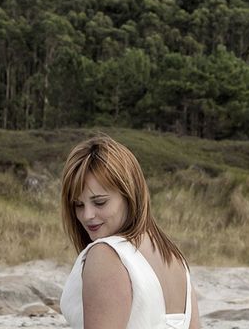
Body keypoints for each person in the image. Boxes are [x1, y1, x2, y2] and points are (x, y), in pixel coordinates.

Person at [59, 134, 200, 329]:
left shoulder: (106, 255)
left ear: (130, 195)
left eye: (100, 202)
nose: (87, 215)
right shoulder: (174, 258)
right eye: (78, 205)